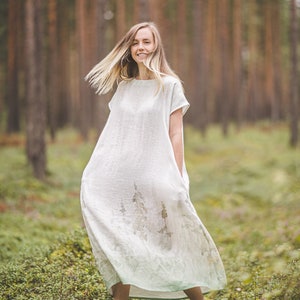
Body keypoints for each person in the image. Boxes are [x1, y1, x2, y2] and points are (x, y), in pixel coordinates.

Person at [80, 22, 226, 300]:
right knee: (122, 244)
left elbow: (176, 134)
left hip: (158, 178)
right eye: (135, 43)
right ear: (129, 47)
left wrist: (177, 175)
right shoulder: (124, 87)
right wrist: (94, 170)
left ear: (156, 45)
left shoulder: (169, 86)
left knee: (166, 246)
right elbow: (114, 133)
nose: (141, 48)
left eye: (146, 42)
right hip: (124, 182)